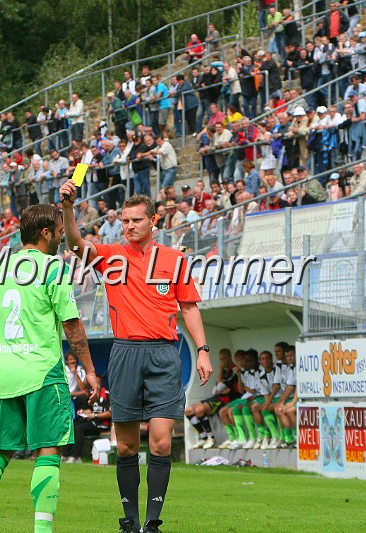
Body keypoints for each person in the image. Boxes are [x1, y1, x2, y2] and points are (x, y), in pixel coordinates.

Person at [59, 180, 213, 533]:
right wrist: (68, 209)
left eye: (136, 221)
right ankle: (129, 522)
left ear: (153, 221)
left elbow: (189, 308)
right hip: (125, 353)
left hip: (163, 354)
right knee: (126, 446)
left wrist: (202, 351)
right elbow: (75, 245)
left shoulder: (174, 260)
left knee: (160, 442)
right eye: (125, 221)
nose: (129, 227)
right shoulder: (111, 256)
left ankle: (152, 523)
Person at [0, 203, 100, 533]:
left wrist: (3, 363)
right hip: (43, 372)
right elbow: (72, 325)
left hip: (7, 373)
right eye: (61, 232)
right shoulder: (54, 269)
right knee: (48, 452)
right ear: (46, 233)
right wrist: (89, 370)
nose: (63, 237)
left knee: (0, 450)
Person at [184, 349, 238, 449]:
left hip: (228, 399)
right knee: (189, 411)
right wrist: (220, 387)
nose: (223, 361)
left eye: (225, 358)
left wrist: (220, 372)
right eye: (221, 359)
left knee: (199, 410)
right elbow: (216, 390)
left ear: (230, 357)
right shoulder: (225, 371)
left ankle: (211, 438)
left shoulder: (234, 370)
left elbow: (220, 388)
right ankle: (204, 438)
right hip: (218, 397)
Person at [63, 387, 112, 463]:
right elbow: (90, 410)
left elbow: (109, 413)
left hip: (102, 424)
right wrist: (83, 411)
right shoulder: (93, 394)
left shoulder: (107, 394)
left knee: (79, 428)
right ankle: (65, 454)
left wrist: (94, 415)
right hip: (92, 421)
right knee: (73, 425)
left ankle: (76, 456)